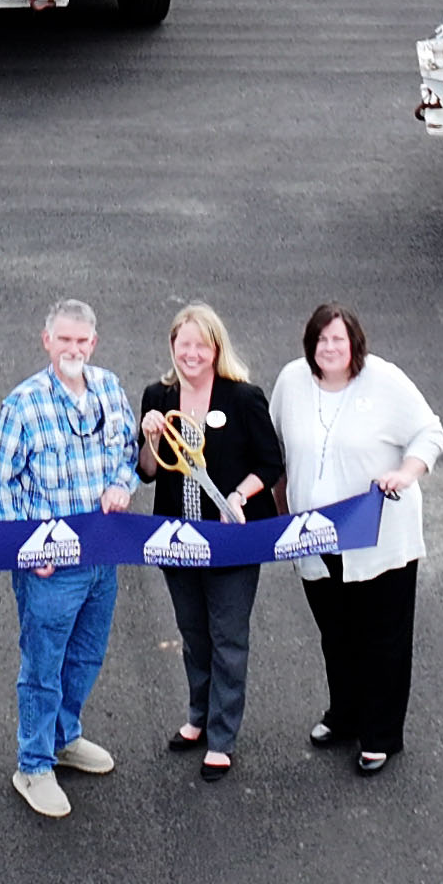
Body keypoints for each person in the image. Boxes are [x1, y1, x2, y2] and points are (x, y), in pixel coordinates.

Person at [270, 300, 441, 776]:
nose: (329, 348)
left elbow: (429, 431)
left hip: (378, 537)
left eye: (338, 340)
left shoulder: (384, 381)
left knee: (382, 638)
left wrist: (406, 473)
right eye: (321, 339)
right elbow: (278, 452)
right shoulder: (291, 382)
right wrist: (281, 517)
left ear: (355, 344)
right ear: (310, 344)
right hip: (315, 538)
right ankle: (344, 715)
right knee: (337, 635)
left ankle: (380, 735)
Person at [0, 296, 140, 817]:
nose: (73, 348)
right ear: (46, 340)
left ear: (93, 343)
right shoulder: (23, 404)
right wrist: (29, 554)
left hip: (102, 555)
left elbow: (127, 452)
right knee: (43, 664)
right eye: (64, 339)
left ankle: (64, 737)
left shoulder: (110, 388)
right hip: (51, 566)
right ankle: (32, 765)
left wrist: (123, 485)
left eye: (82, 340)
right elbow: (1, 486)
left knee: (85, 656)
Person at [140, 301, 287, 779]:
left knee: (228, 637)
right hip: (177, 540)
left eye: (201, 345)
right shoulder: (157, 396)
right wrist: (149, 438)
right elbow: (146, 473)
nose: (192, 355)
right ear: (172, 348)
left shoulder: (243, 398)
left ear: (216, 348)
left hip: (230, 541)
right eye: (184, 346)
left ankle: (222, 737)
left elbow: (270, 465)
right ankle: (198, 717)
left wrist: (239, 496)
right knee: (193, 633)